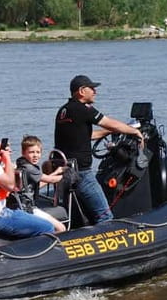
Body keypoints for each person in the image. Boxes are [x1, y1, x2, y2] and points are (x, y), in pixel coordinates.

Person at [54, 74, 144, 224]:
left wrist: (110, 132)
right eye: (92, 89)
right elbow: (109, 122)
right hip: (81, 172)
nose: (95, 92)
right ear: (82, 90)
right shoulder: (83, 109)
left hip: (65, 170)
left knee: (81, 214)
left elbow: (85, 136)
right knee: (105, 216)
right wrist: (134, 131)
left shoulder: (64, 110)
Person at [15, 135, 66, 232]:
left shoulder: (21, 164)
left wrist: (56, 172)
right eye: (31, 152)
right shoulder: (29, 168)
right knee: (61, 228)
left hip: (23, 206)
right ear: (23, 153)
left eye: (38, 152)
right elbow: (50, 180)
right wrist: (67, 176)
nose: (35, 155)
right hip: (28, 208)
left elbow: (40, 182)